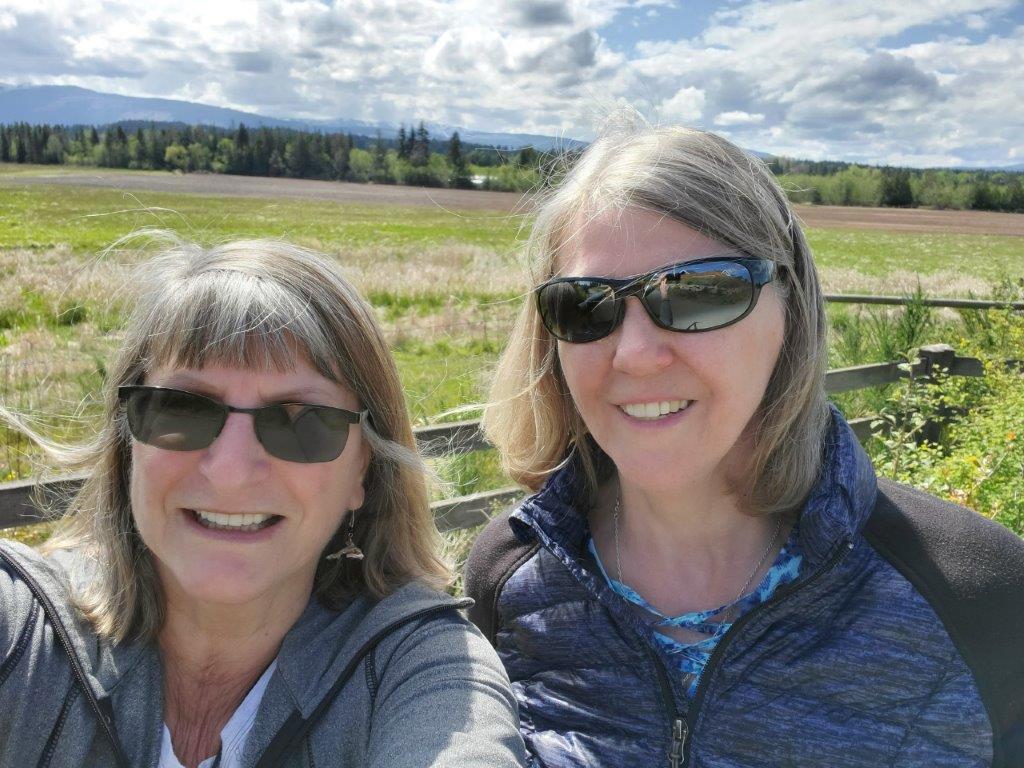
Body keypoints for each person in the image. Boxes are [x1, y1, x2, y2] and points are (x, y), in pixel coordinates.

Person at [465, 124, 1024, 767]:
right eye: (586, 306)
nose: (636, 354)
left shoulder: (977, 595)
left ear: (790, 313)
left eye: (701, 293)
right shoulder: (511, 577)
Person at [0, 234, 530, 768]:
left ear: (362, 469)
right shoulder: (27, 637)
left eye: (299, 423)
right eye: (182, 410)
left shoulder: (419, 672)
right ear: (127, 442)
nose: (229, 472)